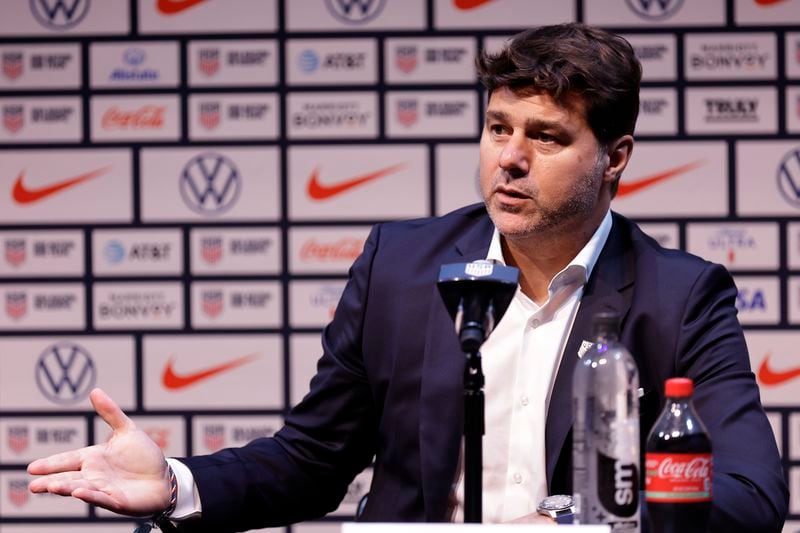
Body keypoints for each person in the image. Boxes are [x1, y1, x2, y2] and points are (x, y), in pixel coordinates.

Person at [27, 23, 788, 532]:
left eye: (547, 137)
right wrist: (177, 482)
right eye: (498, 128)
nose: (510, 158)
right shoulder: (400, 264)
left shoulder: (680, 296)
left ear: (615, 157)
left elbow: (750, 495)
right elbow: (313, 458)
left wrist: (581, 521)